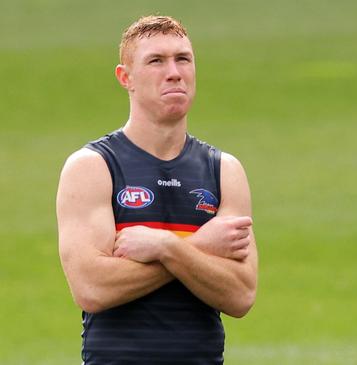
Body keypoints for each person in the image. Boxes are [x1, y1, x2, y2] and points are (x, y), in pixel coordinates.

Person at [56, 15, 257, 364]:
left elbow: (240, 294)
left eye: (183, 59)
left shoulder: (224, 171)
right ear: (126, 78)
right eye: (156, 61)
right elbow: (93, 289)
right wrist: (199, 247)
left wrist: (165, 246)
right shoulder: (92, 167)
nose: (174, 72)